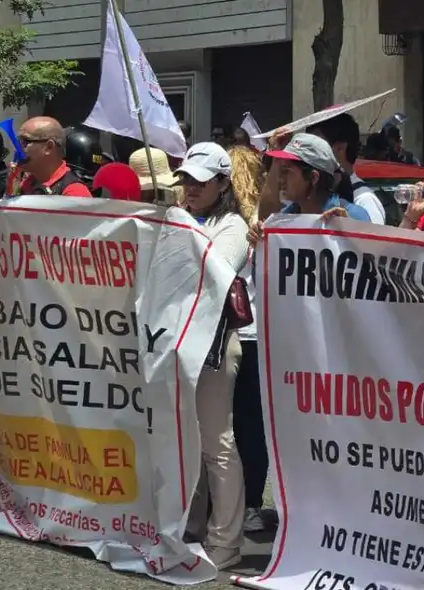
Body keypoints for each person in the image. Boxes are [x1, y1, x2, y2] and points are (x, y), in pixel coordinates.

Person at [175, 141, 250, 569]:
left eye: (200, 180)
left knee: (217, 443)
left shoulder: (233, 227)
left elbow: (211, 274)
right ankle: (194, 527)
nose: (191, 187)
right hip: (181, 341)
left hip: (216, 345)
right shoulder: (185, 218)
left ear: (223, 183)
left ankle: (226, 542)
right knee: (188, 440)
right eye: (186, 178)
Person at [226, 145, 269, 533]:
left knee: (238, 425)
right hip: (253, 333)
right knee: (248, 425)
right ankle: (248, 502)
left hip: (242, 330)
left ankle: (249, 502)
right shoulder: (253, 220)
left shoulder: (254, 222)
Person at [254, 133, 371, 224]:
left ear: (313, 178)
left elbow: (374, 253)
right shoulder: (286, 217)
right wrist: (260, 239)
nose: (280, 179)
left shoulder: (355, 216)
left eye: (287, 172)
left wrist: (351, 230)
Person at [308, 113, 386, 224]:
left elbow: (374, 240)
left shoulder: (365, 200)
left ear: (340, 148)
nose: (307, 154)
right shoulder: (310, 196)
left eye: (316, 147)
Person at [8, 117, 92, 197]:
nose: (16, 150)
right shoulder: (26, 183)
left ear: (49, 147)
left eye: (24, 142)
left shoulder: (74, 193)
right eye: (18, 142)